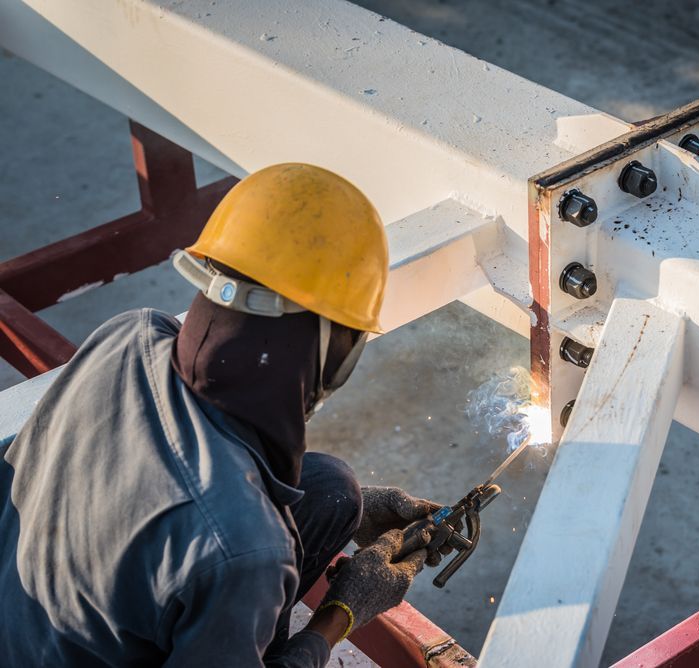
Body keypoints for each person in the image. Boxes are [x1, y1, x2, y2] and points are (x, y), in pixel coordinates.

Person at [0, 163, 445, 667]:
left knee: (333, 488)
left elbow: (140, 475)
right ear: (331, 349)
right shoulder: (247, 551)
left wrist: (356, 510)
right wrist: (342, 613)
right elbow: (224, 532)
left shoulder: (128, 336)